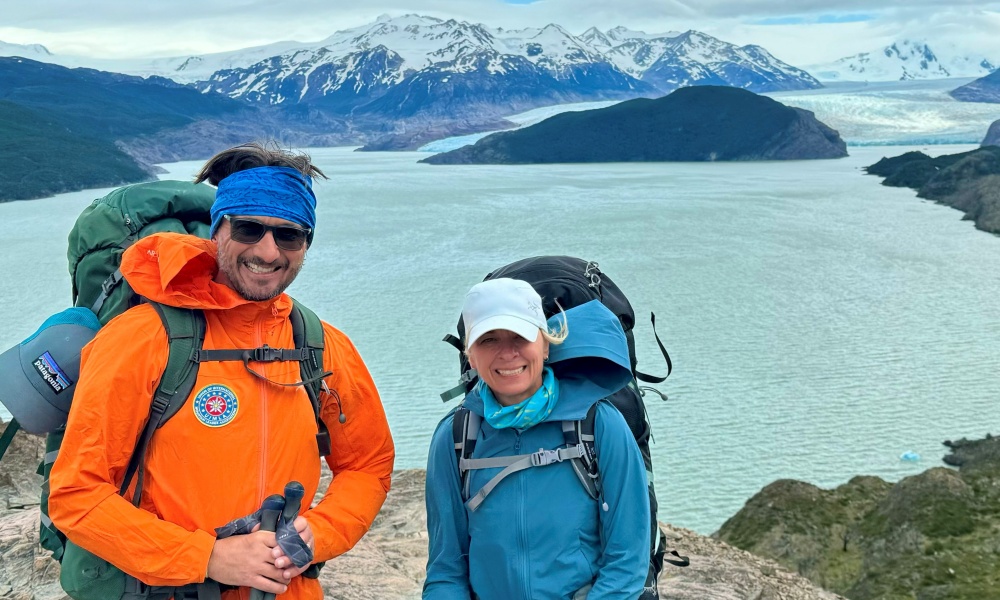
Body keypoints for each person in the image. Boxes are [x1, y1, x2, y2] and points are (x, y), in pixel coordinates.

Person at [48, 142, 395, 599]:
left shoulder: (318, 343)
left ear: (306, 243)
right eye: (250, 229)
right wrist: (208, 557)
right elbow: (78, 494)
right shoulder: (142, 339)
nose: (269, 252)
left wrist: (319, 534)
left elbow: (368, 464)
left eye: (289, 235)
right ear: (219, 229)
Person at [423, 278, 650, 600]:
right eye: (488, 340)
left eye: (520, 336)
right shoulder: (456, 435)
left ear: (545, 344)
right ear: (470, 355)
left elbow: (627, 561)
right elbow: (446, 570)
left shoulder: (598, 424)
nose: (507, 353)